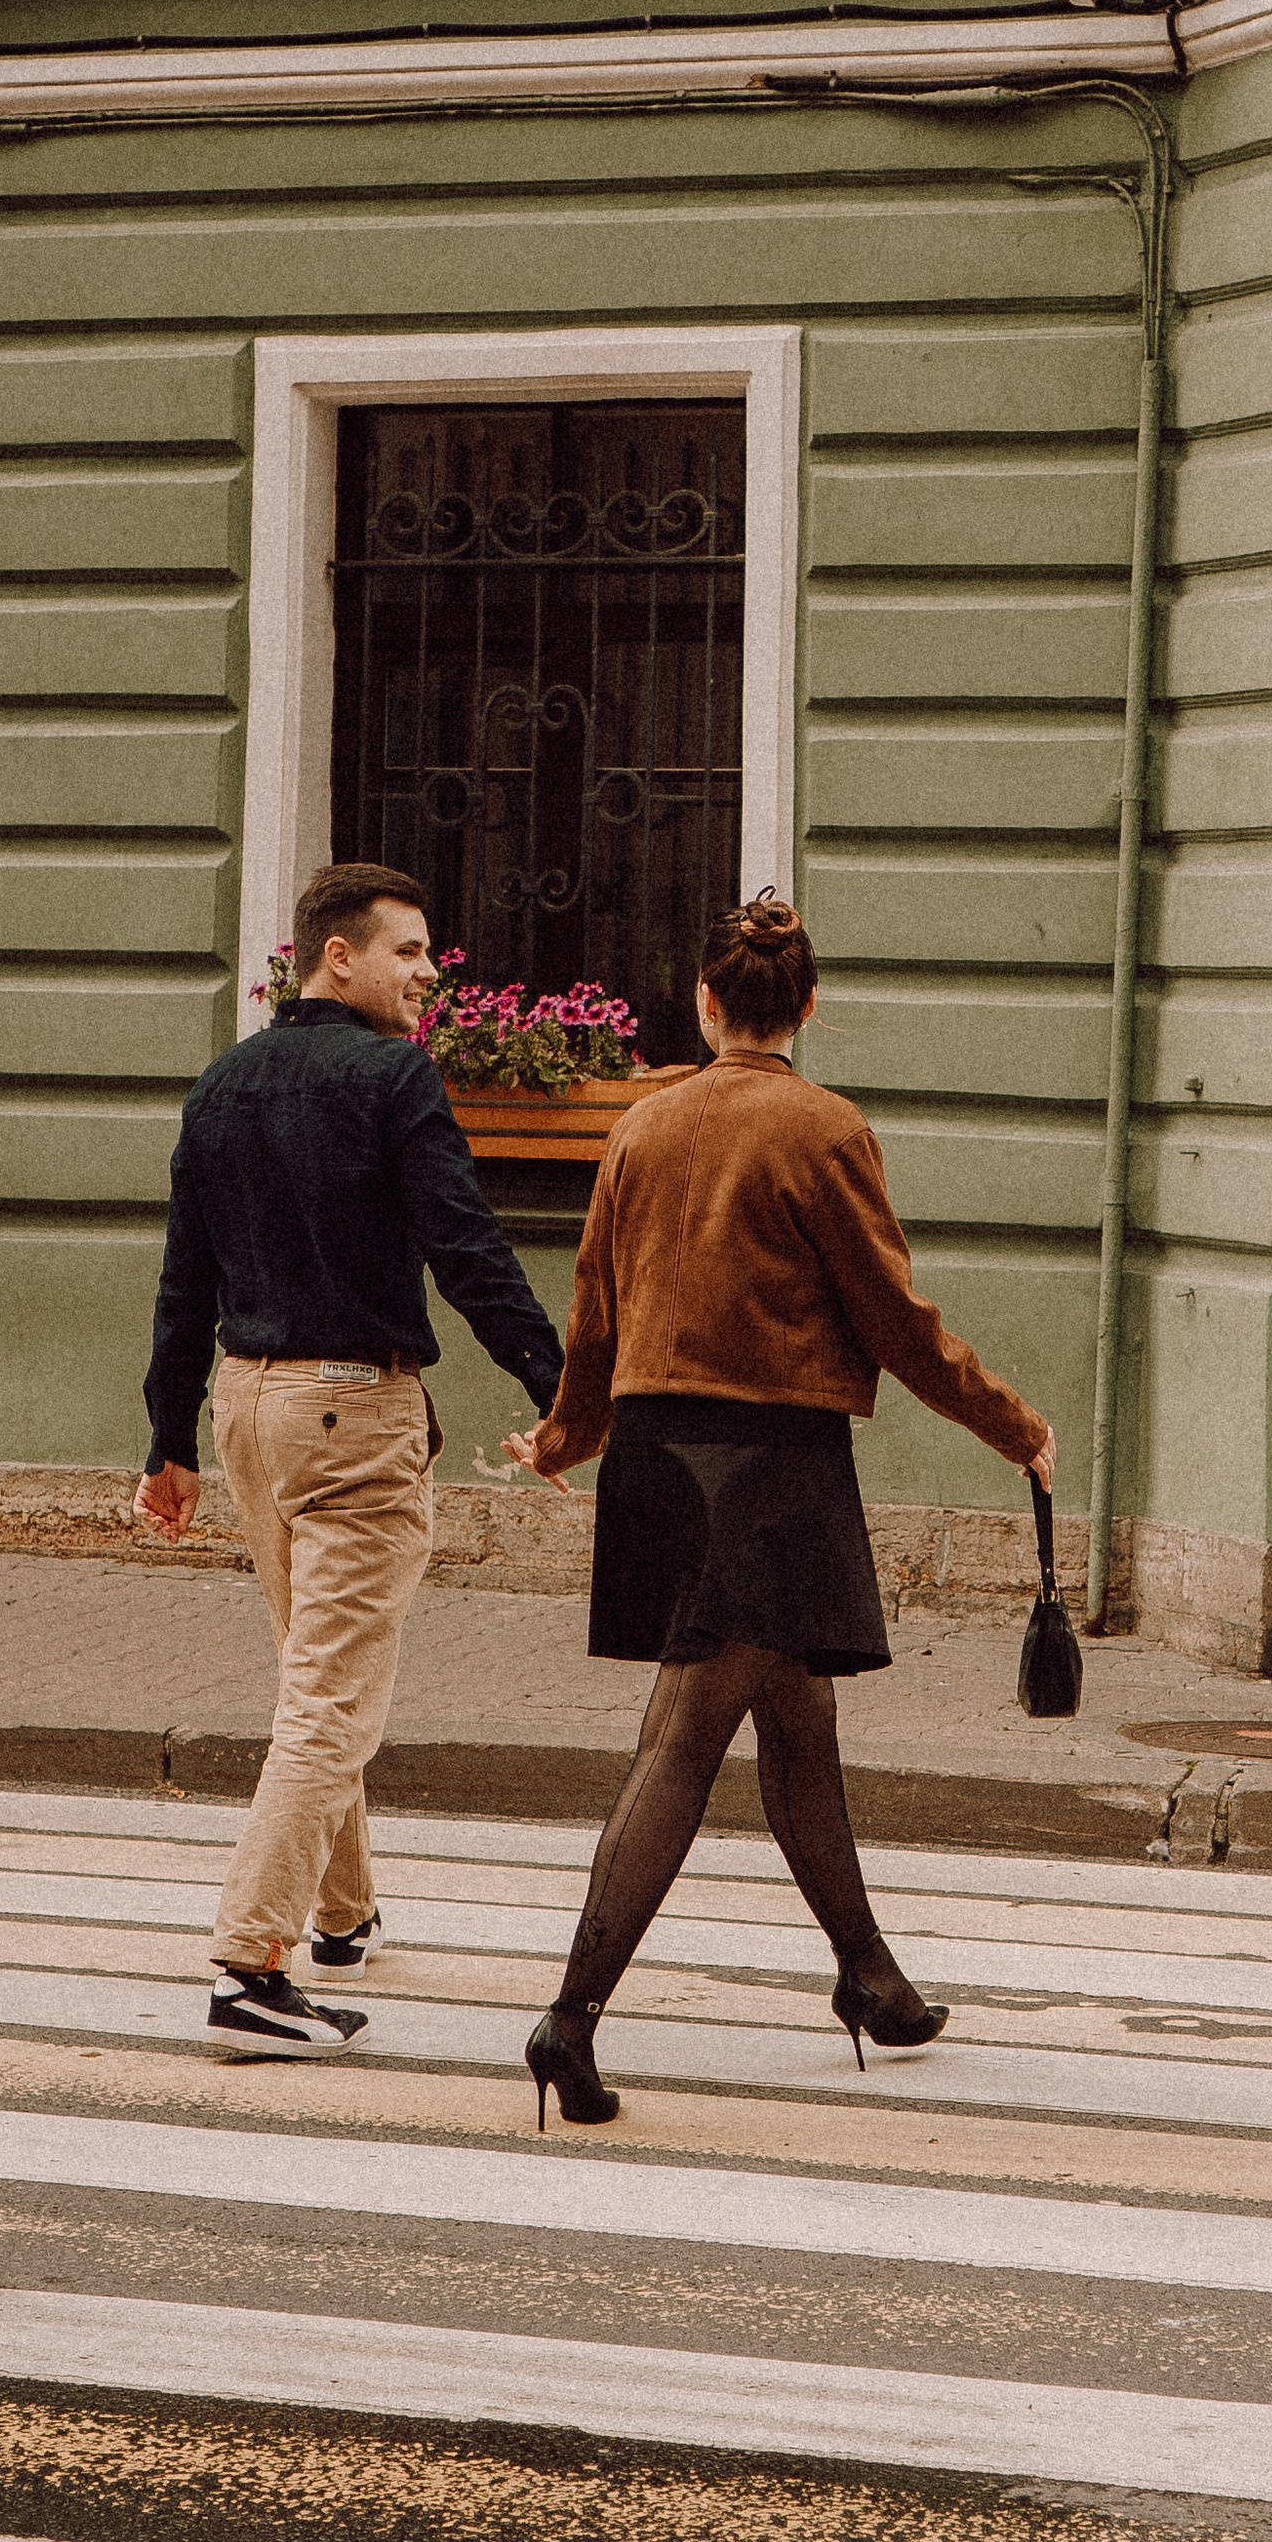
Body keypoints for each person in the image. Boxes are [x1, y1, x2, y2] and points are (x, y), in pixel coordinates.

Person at [503, 891, 1053, 2127]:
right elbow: (891, 1319)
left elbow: (594, 1307)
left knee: (794, 1715)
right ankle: (570, 2017)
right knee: (685, 1739)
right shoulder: (825, 1128)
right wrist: (1014, 1427)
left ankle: (871, 1979)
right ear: (805, 1007)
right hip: (770, 1460)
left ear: (704, 1003)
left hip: (656, 1453)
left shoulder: (642, 1128)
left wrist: (563, 1438)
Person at [138, 860, 567, 2054]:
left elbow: (185, 1279)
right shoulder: (391, 1077)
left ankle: (343, 1914)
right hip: (351, 1414)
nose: (430, 976)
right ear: (340, 955)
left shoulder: (222, 1085)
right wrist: (562, 1388)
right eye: (411, 953)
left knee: (310, 1669)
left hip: (246, 1412)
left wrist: (167, 1443)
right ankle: (247, 1961)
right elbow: (466, 1248)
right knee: (330, 1698)